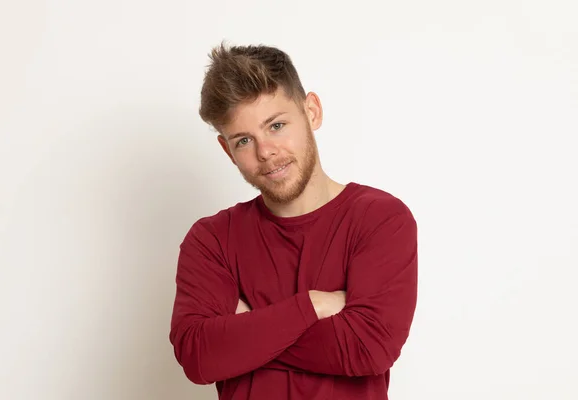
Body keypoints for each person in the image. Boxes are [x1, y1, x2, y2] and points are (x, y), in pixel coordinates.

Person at [169, 42, 418, 400]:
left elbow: (368, 347)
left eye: (277, 125)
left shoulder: (380, 219)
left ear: (312, 111)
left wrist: (244, 332)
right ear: (228, 151)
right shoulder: (211, 240)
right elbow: (198, 356)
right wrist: (312, 305)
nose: (265, 151)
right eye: (243, 140)